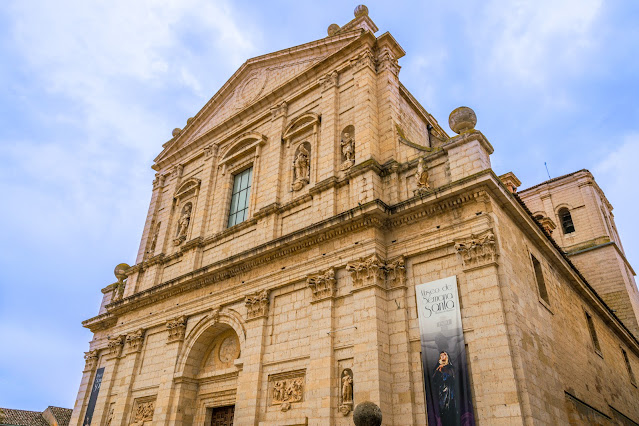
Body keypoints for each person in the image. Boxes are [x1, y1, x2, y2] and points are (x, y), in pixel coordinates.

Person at [432, 351, 459, 425]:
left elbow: (452, 377)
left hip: (449, 392)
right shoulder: (438, 367)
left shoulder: (450, 367)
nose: (442, 356)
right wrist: (438, 370)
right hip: (441, 392)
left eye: (444, 355)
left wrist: (443, 369)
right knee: (443, 411)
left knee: (450, 409)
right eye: (441, 355)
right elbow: (434, 380)